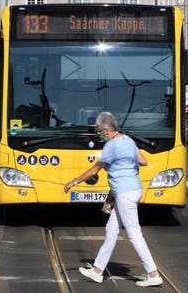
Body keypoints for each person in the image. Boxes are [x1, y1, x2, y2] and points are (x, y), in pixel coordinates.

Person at [64, 111, 162, 287]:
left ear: (107, 131)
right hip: (132, 189)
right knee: (111, 229)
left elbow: (95, 170)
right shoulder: (128, 141)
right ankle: (97, 271)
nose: (103, 137)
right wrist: (124, 162)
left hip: (125, 192)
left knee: (134, 233)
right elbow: (144, 161)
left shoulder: (112, 146)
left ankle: (153, 273)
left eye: (102, 134)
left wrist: (74, 182)